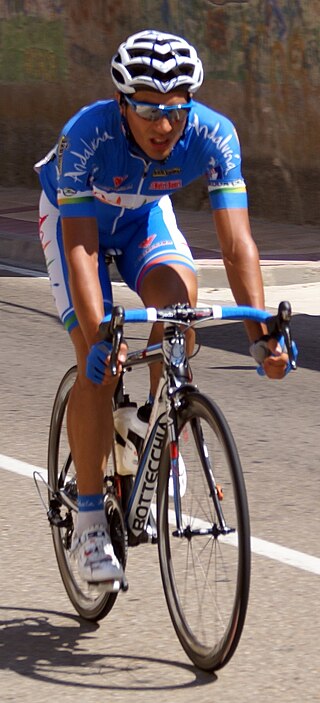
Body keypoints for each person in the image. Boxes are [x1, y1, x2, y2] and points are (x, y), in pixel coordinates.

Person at [35, 29, 291, 586]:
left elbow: (236, 243)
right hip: (74, 226)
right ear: (123, 103)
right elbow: (80, 248)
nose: (164, 125)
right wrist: (99, 336)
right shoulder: (87, 135)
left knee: (179, 316)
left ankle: (158, 434)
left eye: (176, 109)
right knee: (95, 363)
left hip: (144, 219)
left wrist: (261, 332)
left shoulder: (215, 136)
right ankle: (88, 521)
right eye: (148, 109)